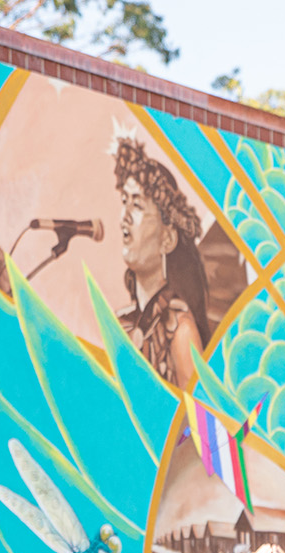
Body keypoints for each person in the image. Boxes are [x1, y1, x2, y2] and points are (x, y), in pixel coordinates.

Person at [113, 134, 209, 390]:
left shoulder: (180, 330)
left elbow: (195, 422)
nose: (124, 217)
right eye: (124, 202)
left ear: (167, 239)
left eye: (137, 205)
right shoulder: (120, 323)